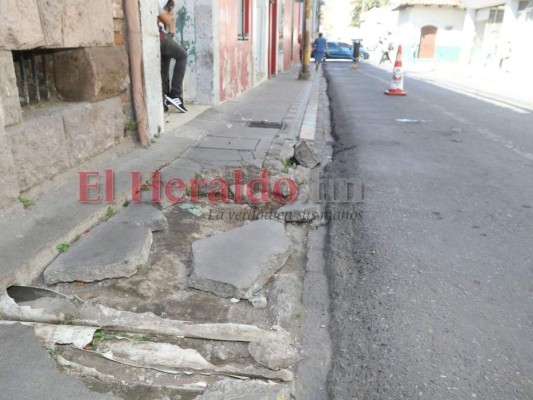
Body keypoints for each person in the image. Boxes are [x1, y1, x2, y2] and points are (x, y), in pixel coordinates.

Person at [158, 0, 187, 113]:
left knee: (164, 71)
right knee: (182, 55)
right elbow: (166, 19)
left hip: (163, 36)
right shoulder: (157, 2)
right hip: (159, 35)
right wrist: (168, 19)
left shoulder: (167, 3)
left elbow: (170, 19)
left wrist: (170, 30)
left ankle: (163, 100)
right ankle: (175, 94)